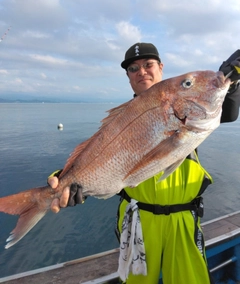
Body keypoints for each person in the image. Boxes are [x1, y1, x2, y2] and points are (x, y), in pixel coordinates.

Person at [48, 43, 240, 284]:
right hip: (137, 219)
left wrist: (231, 81)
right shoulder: (120, 121)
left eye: (148, 65)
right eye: (133, 68)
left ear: (160, 68)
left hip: (184, 219)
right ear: (128, 76)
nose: (142, 72)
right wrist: (68, 182)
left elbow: (228, 112)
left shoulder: (184, 112)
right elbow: (97, 163)